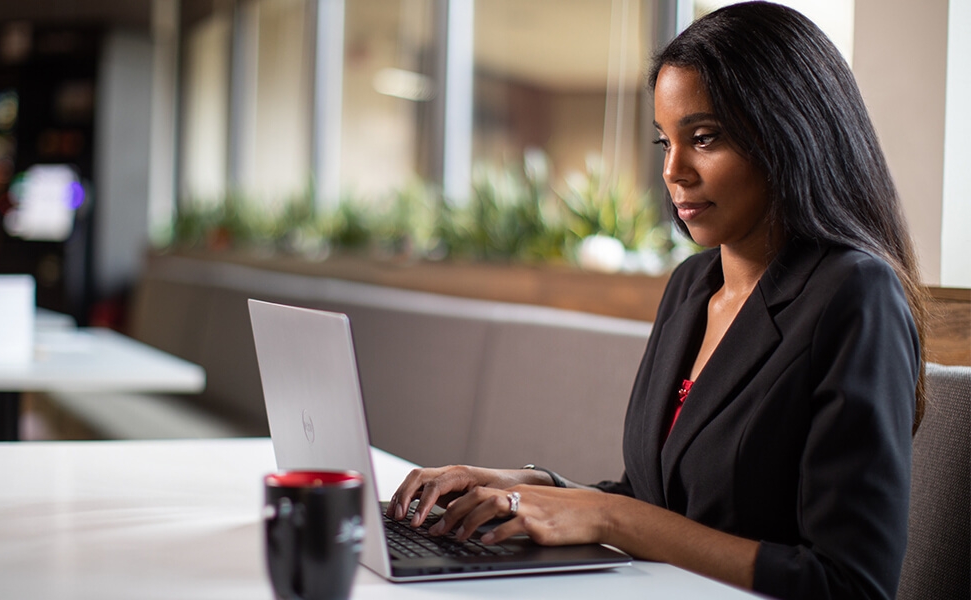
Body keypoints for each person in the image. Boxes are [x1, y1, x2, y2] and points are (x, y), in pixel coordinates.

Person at [386, 3, 928, 599]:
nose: (673, 170)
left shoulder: (855, 295)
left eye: (704, 138)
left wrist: (608, 517)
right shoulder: (692, 287)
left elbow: (850, 583)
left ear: (789, 133)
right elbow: (655, 504)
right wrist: (521, 485)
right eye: (664, 141)